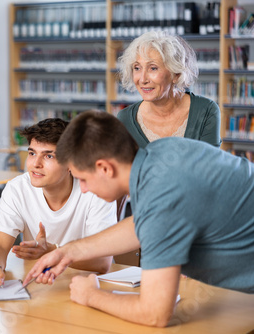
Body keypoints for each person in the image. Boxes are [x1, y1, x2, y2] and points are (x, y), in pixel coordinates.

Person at [24, 111, 254, 327]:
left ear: (104, 168)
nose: (82, 189)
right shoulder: (162, 153)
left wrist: (91, 295)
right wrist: (69, 251)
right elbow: (143, 224)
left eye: (83, 179)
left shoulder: (162, 196)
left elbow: (155, 314)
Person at [0, 118, 117, 288]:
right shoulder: (17, 189)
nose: (36, 164)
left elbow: (102, 262)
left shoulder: (95, 191)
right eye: (32, 153)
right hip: (40, 284)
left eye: (49, 156)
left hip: (88, 284)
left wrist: (53, 251)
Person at [117, 31, 221, 148]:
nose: (142, 79)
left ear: (176, 74)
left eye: (153, 68)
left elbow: (210, 164)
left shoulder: (206, 111)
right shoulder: (124, 119)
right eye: (137, 68)